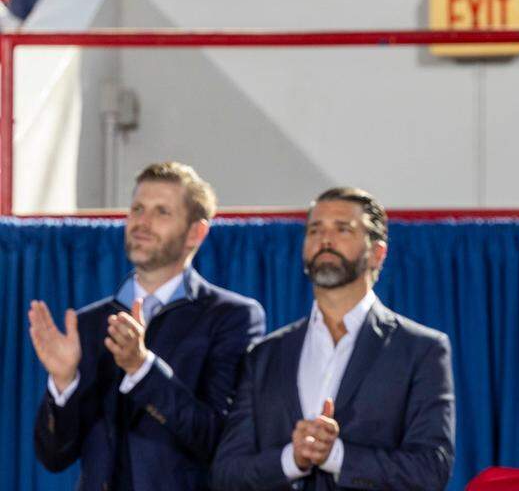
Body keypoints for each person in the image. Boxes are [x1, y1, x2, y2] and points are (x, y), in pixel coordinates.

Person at [29, 162, 266, 491]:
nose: (142, 222)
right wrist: (63, 382)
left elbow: (221, 441)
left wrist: (142, 369)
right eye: (138, 208)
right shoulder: (89, 323)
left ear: (195, 233)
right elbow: (54, 457)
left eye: (161, 212)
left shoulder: (231, 317)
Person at [211, 187, 455, 491]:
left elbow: (430, 469)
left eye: (342, 229)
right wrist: (293, 458)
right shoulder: (265, 354)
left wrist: (336, 456)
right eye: (315, 229)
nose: (325, 240)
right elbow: (227, 473)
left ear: (377, 253)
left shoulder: (421, 350)